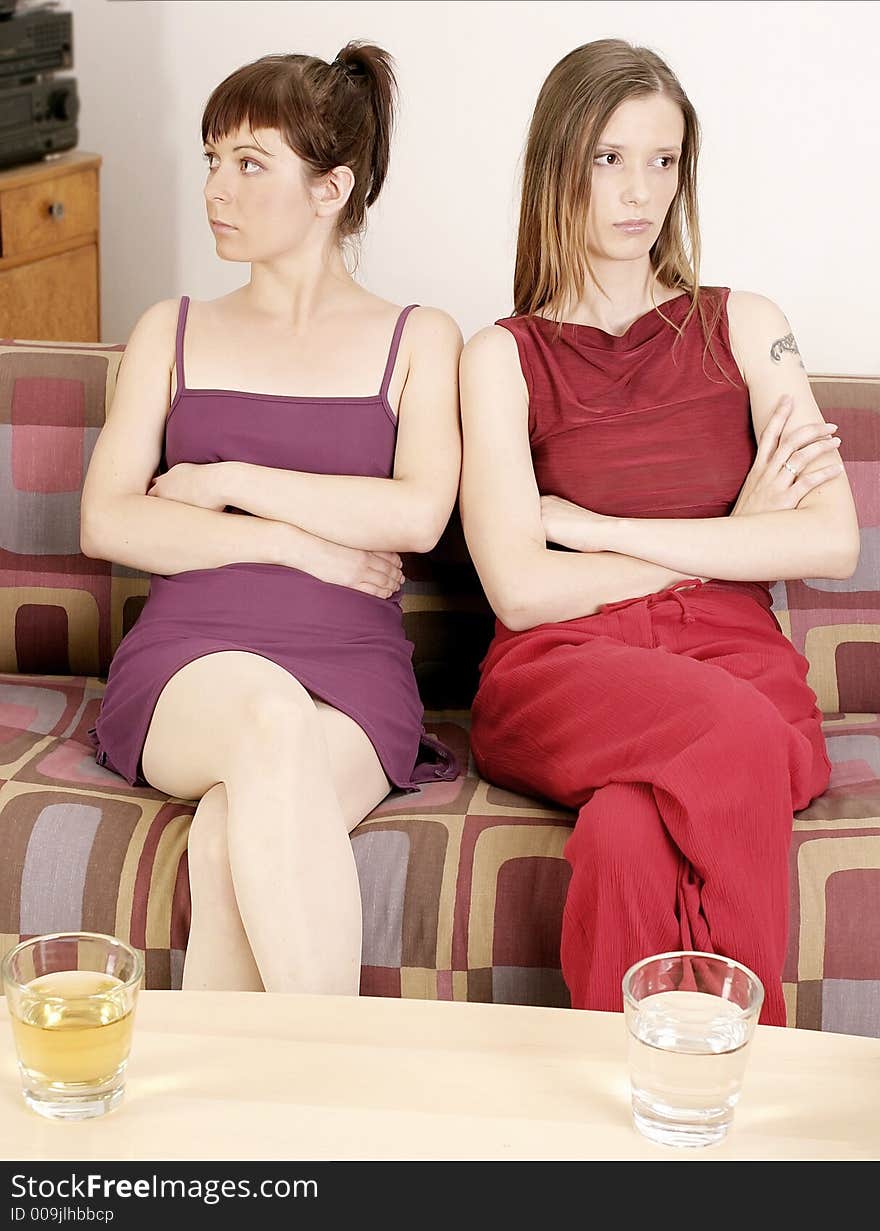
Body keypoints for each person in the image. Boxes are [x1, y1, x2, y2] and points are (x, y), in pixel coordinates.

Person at [458, 38, 859, 1026]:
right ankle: (751, 1081)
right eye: (608, 158)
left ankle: (639, 1127)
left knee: (626, 836)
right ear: (558, 166)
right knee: (731, 736)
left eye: (663, 159)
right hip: (564, 670)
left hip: (734, 661)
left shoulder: (745, 322)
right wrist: (732, 533)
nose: (639, 190)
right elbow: (520, 591)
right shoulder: (498, 358)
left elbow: (831, 540)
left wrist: (593, 531)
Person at [80, 43, 462, 995]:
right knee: (265, 715)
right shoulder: (170, 328)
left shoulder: (418, 337)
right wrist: (299, 544)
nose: (218, 187)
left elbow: (417, 513)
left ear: (330, 189)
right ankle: (344, 1100)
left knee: (223, 847)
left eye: (251, 163)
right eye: (212, 158)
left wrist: (227, 477)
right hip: (193, 668)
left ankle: (233, 1135)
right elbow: (109, 522)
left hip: (355, 682)